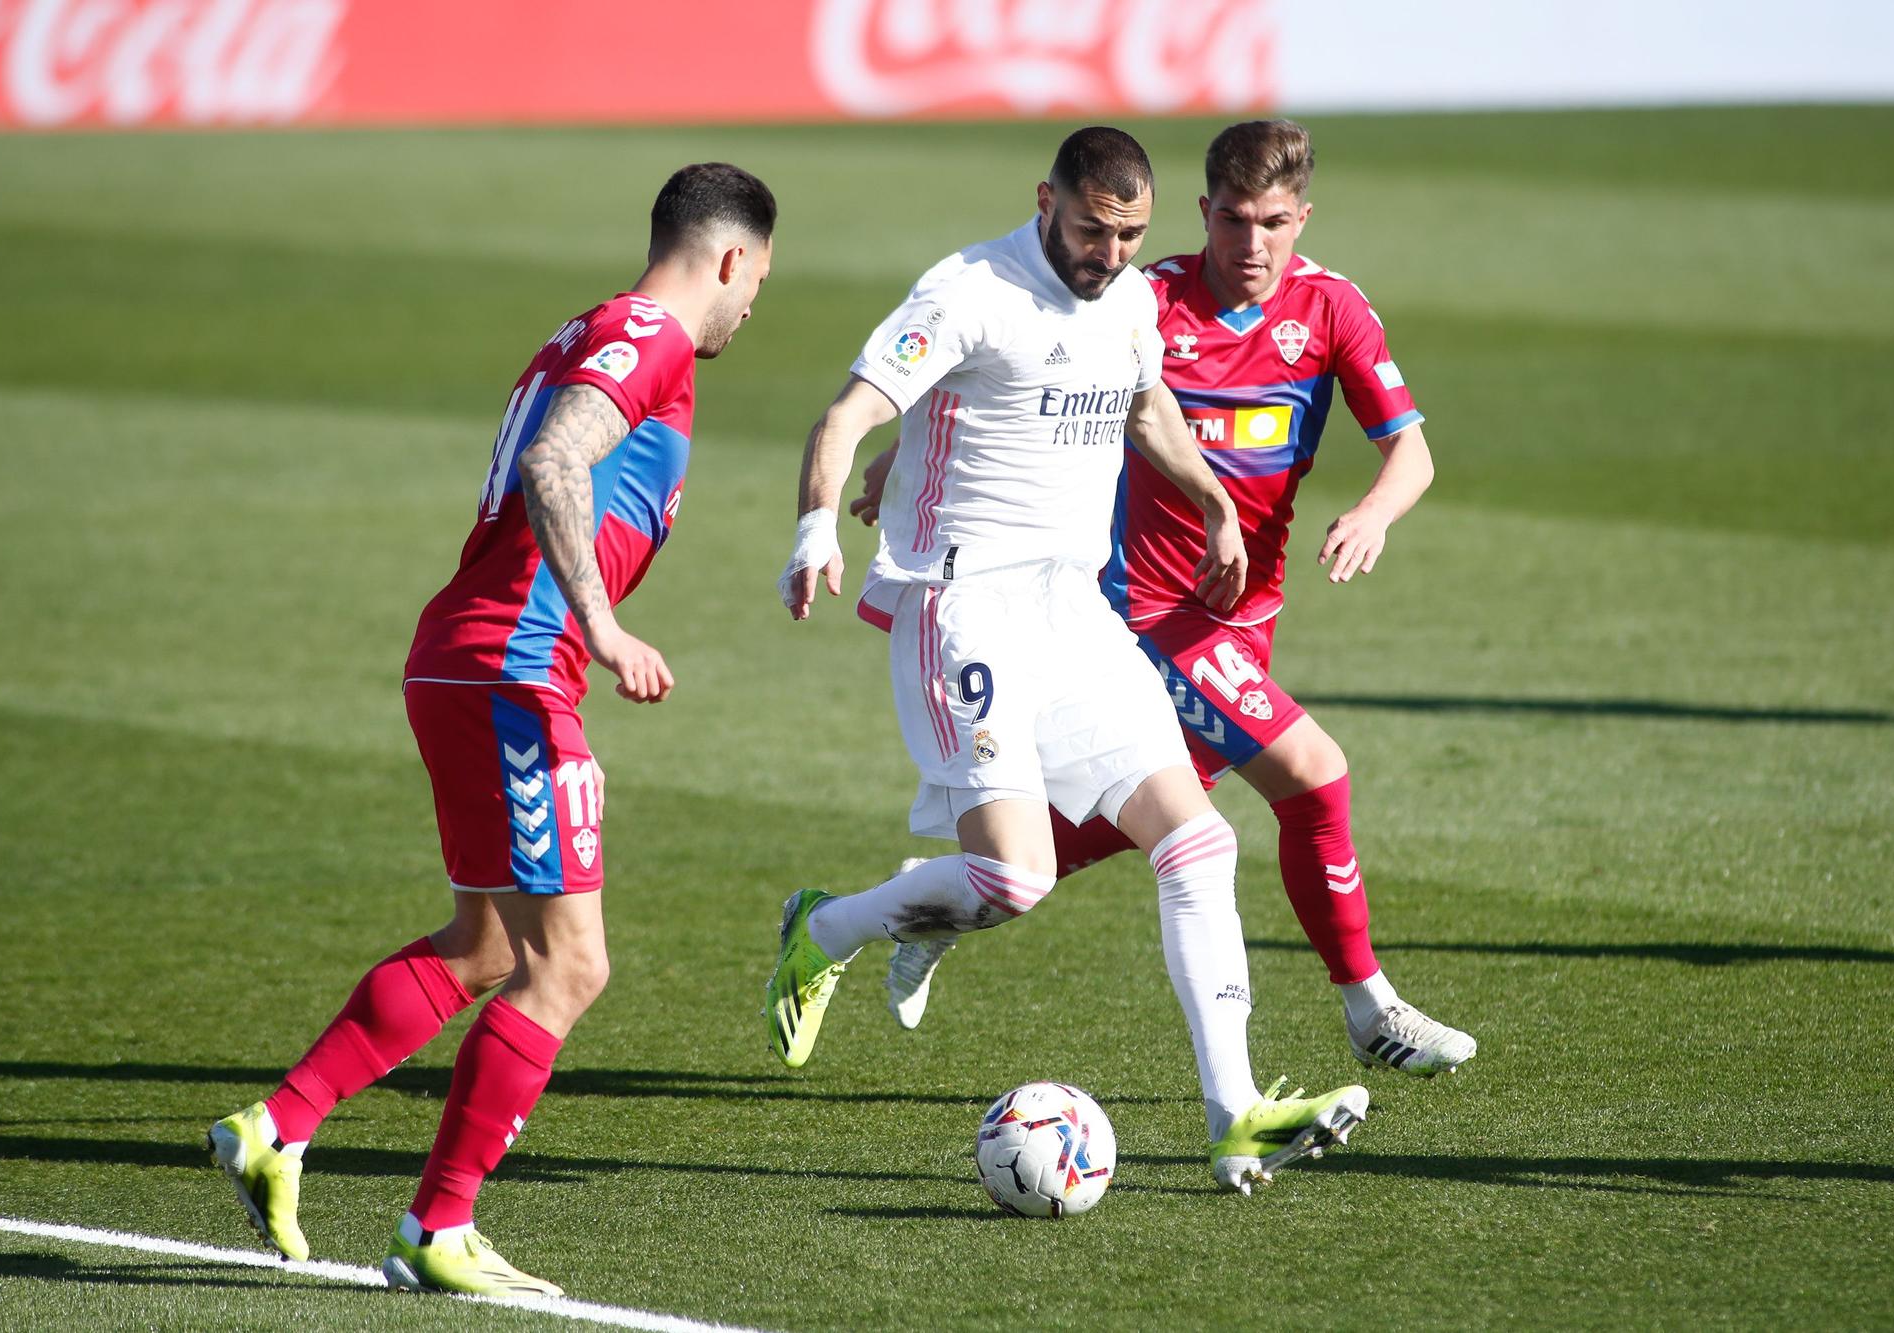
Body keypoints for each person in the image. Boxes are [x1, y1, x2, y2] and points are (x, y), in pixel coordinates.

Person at [207, 163, 776, 1297]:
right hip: (514, 669)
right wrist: (605, 627)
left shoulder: (586, 330)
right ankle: (437, 1227)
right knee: (569, 965)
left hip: (464, 661)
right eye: (758, 278)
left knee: (487, 948)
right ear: (727, 258)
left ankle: (279, 1124)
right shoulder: (647, 335)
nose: (753, 305)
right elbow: (555, 459)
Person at [768, 126, 1370, 1195]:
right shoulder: (967, 291)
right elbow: (849, 411)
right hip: (959, 608)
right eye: (1092, 229)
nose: (1109, 253)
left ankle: (1236, 1119)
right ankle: (821, 931)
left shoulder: (1131, 303)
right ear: (1046, 199)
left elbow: (1145, 408)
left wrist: (1212, 499)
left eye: (1131, 234)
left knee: (1199, 844)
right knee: (1013, 879)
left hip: (1075, 610)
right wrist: (818, 526)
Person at [870, 120, 1476, 1077]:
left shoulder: (1330, 309)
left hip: (1245, 621)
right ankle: (1372, 1009)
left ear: (1301, 218)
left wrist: (1374, 514)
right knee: (1316, 775)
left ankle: (937, 898)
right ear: (1203, 214)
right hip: (1137, 613)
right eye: (1232, 219)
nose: (1251, 243)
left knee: (1139, 818)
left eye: (1273, 222)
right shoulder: (1139, 298)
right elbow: (990, 378)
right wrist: (886, 466)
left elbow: (1413, 449)